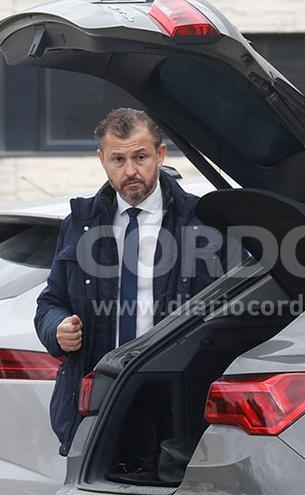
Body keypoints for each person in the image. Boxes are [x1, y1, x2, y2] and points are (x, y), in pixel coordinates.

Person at [34, 108, 226, 455]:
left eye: (140, 157)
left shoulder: (202, 223)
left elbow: (230, 308)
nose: (131, 171)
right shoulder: (80, 224)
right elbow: (50, 302)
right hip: (100, 397)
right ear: (101, 160)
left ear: (160, 154)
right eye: (118, 160)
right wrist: (57, 328)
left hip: (176, 401)